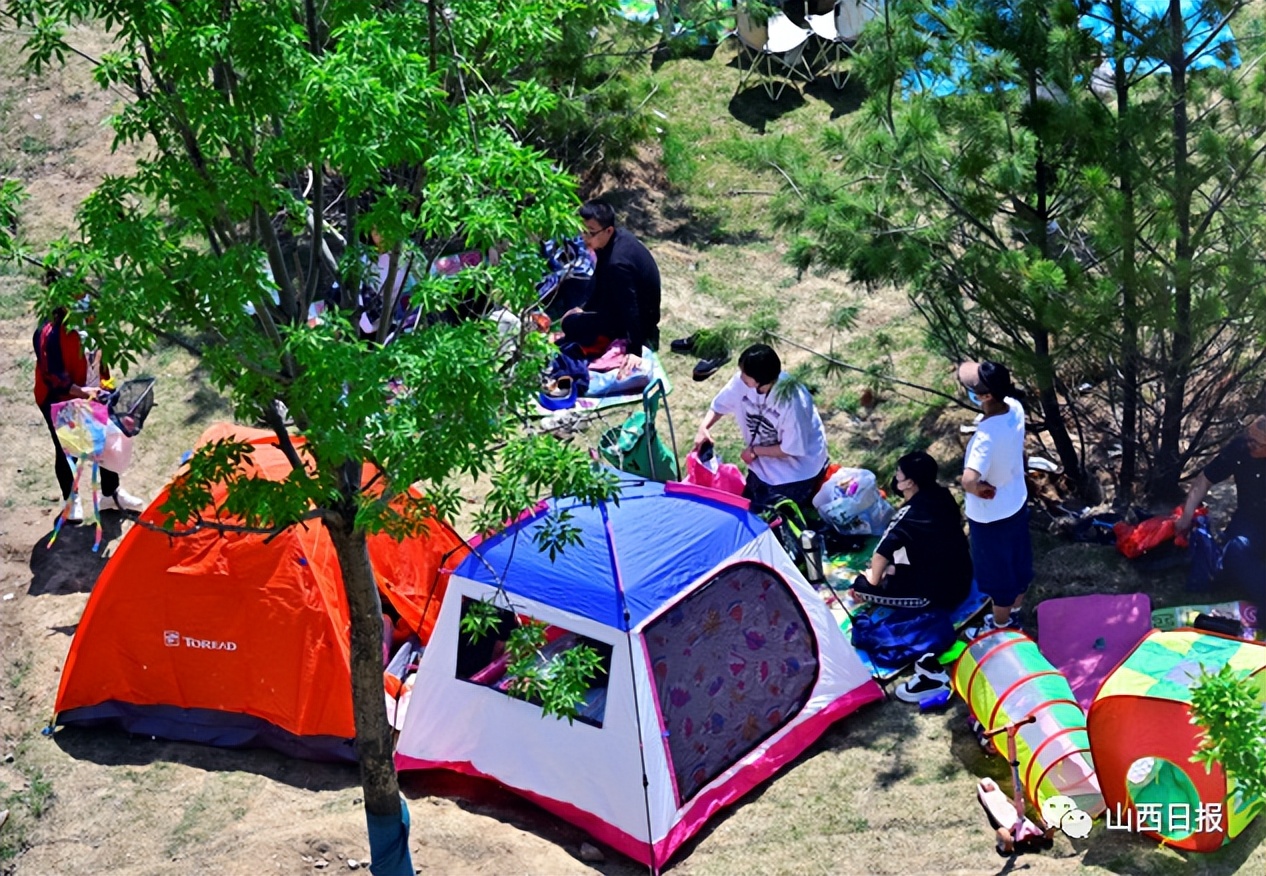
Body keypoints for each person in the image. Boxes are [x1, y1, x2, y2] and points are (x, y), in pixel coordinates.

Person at [849, 450, 973, 702]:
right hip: (963, 575)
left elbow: (879, 555)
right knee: (894, 568)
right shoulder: (943, 496)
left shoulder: (906, 517)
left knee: (860, 587)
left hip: (936, 596)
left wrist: (873, 582)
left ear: (909, 483)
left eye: (899, 474)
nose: (895, 477)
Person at [34, 305, 145, 520]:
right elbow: (55, 379)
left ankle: (110, 495)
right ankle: (71, 499)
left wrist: (105, 387)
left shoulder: (92, 319)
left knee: (106, 441)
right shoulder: (48, 333)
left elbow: (99, 359)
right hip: (60, 398)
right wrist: (85, 393)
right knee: (68, 448)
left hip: (95, 392)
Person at [693, 344, 828, 516]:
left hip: (796, 471)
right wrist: (703, 427)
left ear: (761, 380)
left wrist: (755, 451)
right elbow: (720, 405)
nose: (740, 378)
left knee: (772, 521)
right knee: (745, 511)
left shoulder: (793, 401)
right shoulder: (743, 382)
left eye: (745, 374)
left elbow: (790, 449)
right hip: (761, 463)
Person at [957, 360, 1032, 637]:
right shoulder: (1015, 408)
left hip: (990, 517)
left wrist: (978, 490)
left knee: (998, 575)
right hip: (1016, 500)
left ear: (985, 396)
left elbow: (968, 479)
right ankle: (1015, 611)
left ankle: (1001, 626)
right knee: (1018, 562)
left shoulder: (985, 438)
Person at [559, 200, 661, 375]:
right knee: (575, 316)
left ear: (608, 230)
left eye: (590, 233)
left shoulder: (617, 263)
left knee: (570, 325)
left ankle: (612, 337)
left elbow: (631, 307)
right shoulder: (615, 239)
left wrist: (634, 349)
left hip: (641, 320)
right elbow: (599, 279)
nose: (585, 238)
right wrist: (584, 309)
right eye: (582, 231)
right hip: (625, 305)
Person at [1175, 415, 1266, 606]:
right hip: (1248, 519)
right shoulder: (1240, 448)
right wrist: (1187, 514)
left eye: (1255, 443)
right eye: (1248, 437)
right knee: (1233, 553)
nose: (1248, 444)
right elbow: (1205, 479)